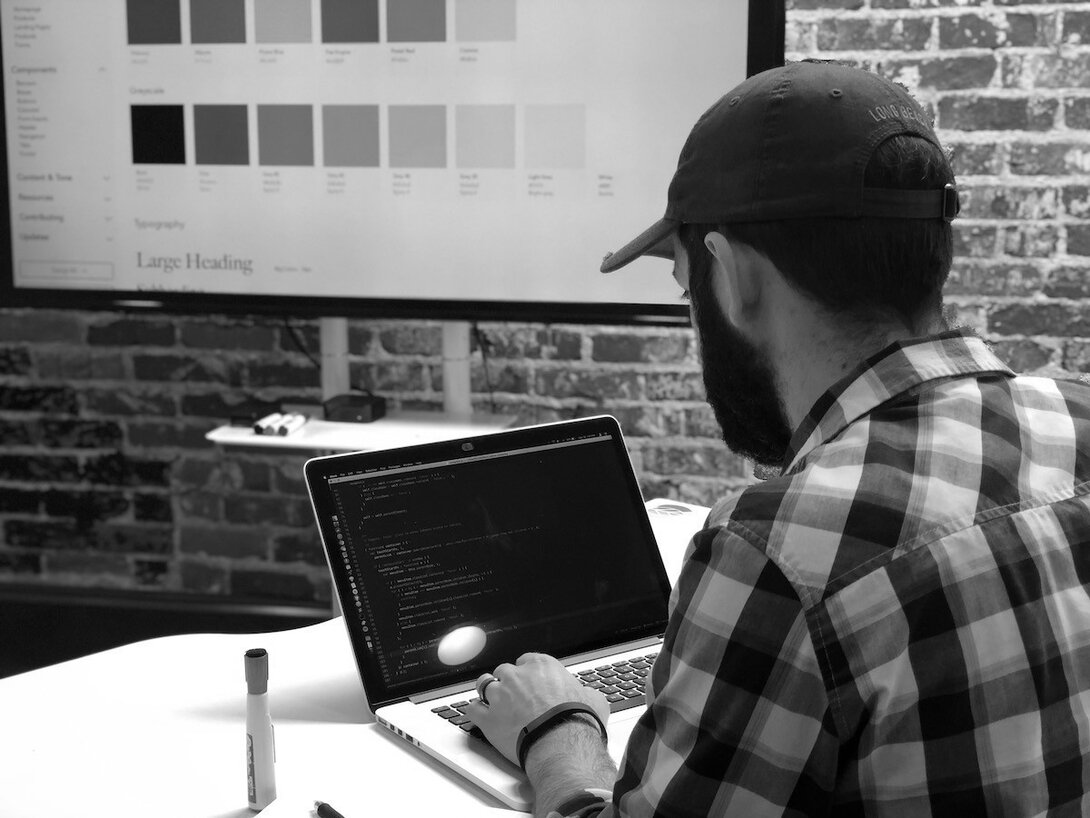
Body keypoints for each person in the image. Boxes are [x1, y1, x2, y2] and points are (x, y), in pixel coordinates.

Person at [466, 61, 1090, 816]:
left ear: (732, 276)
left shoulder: (780, 551)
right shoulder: (1076, 423)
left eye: (687, 286)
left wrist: (557, 733)